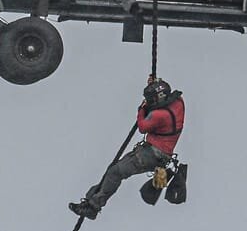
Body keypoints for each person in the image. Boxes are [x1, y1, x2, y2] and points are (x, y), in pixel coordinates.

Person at [69, 78, 185, 220]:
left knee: (115, 172)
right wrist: (153, 86)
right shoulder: (179, 102)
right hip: (159, 154)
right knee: (113, 170)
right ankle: (92, 199)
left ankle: (93, 206)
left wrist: (142, 108)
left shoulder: (159, 115)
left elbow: (142, 126)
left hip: (150, 154)